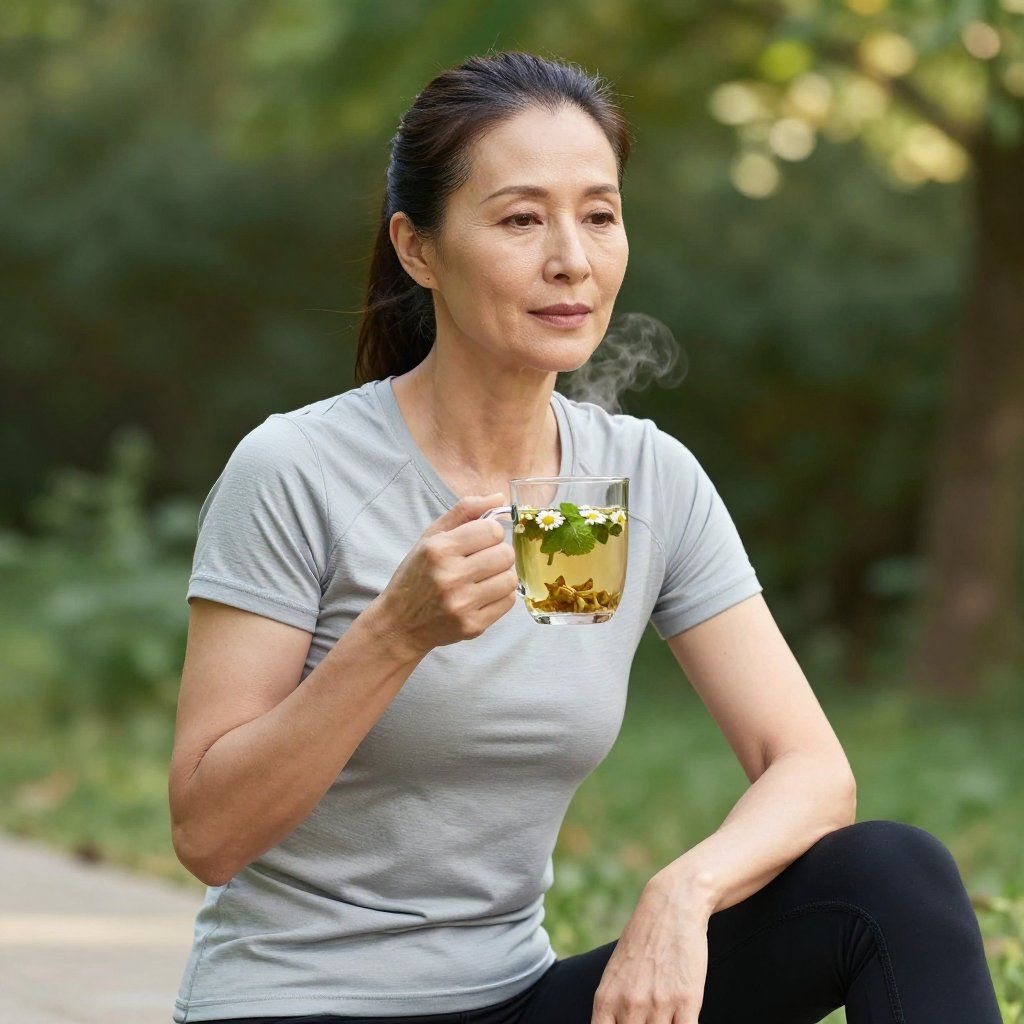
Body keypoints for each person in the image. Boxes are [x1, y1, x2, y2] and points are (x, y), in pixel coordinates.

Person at [169, 50, 1001, 1024]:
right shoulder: (296, 470)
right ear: (418, 248)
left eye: (598, 214)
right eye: (521, 218)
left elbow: (812, 768)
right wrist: (394, 635)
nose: (571, 257)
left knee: (886, 875)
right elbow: (207, 834)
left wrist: (684, 891)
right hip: (299, 1001)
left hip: (515, 998)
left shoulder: (643, 478)